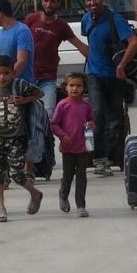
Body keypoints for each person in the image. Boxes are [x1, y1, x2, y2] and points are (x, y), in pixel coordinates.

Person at [81, 0, 137, 176]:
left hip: (114, 76)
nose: (92, 3)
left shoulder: (114, 18)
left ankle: (116, 158)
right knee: (97, 116)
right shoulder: (85, 20)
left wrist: (121, 66)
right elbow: (91, 45)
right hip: (94, 76)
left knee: (115, 119)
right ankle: (100, 160)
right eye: (89, 0)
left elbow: (133, 43)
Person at [0, 55, 44, 223]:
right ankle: (1, 208)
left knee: (17, 174)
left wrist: (25, 100)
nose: (2, 77)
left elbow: (40, 93)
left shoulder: (20, 85)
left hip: (16, 138)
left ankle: (35, 194)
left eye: (6, 73)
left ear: (13, 72)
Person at [23, 0, 90, 119]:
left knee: (48, 113)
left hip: (47, 78)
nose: (48, 4)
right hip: (27, 77)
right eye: (46, 1)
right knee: (26, 115)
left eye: (52, 1)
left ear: (58, 3)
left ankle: (47, 140)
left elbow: (79, 44)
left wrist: (99, 58)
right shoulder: (30, 19)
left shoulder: (61, 26)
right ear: (41, 2)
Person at [50, 72, 95, 218]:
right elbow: (54, 124)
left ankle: (81, 205)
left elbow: (91, 122)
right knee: (68, 175)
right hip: (68, 148)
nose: (75, 88)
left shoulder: (86, 106)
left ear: (84, 88)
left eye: (78, 86)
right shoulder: (62, 105)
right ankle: (63, 195)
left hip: (82, 147)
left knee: (82, 176)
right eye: (72, 85)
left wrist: (91, 124)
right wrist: (62, 136)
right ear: (66, 87)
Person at [0, 0, 34, 82]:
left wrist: (6, 80)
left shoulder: (22, 31)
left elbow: (22, 61)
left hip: (22, 86)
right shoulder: (0, 33)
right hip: (7, 86)